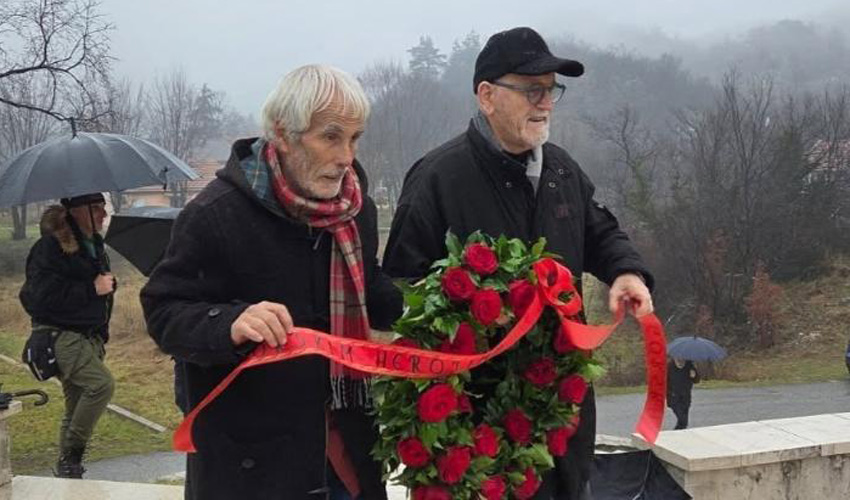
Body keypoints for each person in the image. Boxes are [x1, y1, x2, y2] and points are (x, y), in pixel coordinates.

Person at [382, 27, 655, 499]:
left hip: (563, 427)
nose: (545, 102)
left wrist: (626, 272)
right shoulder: (438, 178)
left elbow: (602, 233)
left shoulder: (562, 171)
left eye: (552, 90)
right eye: (532, 89)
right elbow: (397, 292)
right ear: (487, 96)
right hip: (478, 439)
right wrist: (474, 314)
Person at [140, 65, 402, 500]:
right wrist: (230, 323)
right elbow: (164, 311)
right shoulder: (215, 215)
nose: (346, 157)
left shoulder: (356, 210)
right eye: (331, 136)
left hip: (347, 450)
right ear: (282, 134)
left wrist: (432, 304)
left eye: (355, 139)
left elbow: (369, 288)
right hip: (255, 465)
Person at [19, 193, 116, 479]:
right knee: (100, 386)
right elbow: (36, 298)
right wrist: (91, 289)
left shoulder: (94, 247)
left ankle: (69, 469)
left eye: (103, 207)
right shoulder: (49, 247)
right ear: (76, 212)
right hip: (60, 336)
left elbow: (96, 289)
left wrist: (106, 286)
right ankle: (71, 456)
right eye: (96, 208)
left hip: (86, 337)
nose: (103, 214)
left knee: (75, 402)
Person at [667, 358, 700, 430]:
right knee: (682, 419)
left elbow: (696, 380)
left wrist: (694, 376)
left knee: (683, 423)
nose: (680, 359)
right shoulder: (669, 366)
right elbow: (665, 382)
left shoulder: (689, 365)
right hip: (674, 398)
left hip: (686, 397)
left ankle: (677, 436)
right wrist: (668, 395)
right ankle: (675, 434)